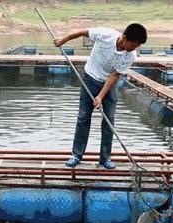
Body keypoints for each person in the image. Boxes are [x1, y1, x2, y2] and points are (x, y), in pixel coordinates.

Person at [54, 24, 147, 169]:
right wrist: (63, 40)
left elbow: (115, 75)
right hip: (90, 77)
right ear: (125, 38)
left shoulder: (131, 55)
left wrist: (100, 96)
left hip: (109, 84)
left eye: (137, 46)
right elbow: (82, 31)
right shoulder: (105, 35)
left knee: (109, 119)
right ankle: (76, 155)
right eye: (134, 44)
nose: (135, 48)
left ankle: (105, 158)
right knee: (84, 116)